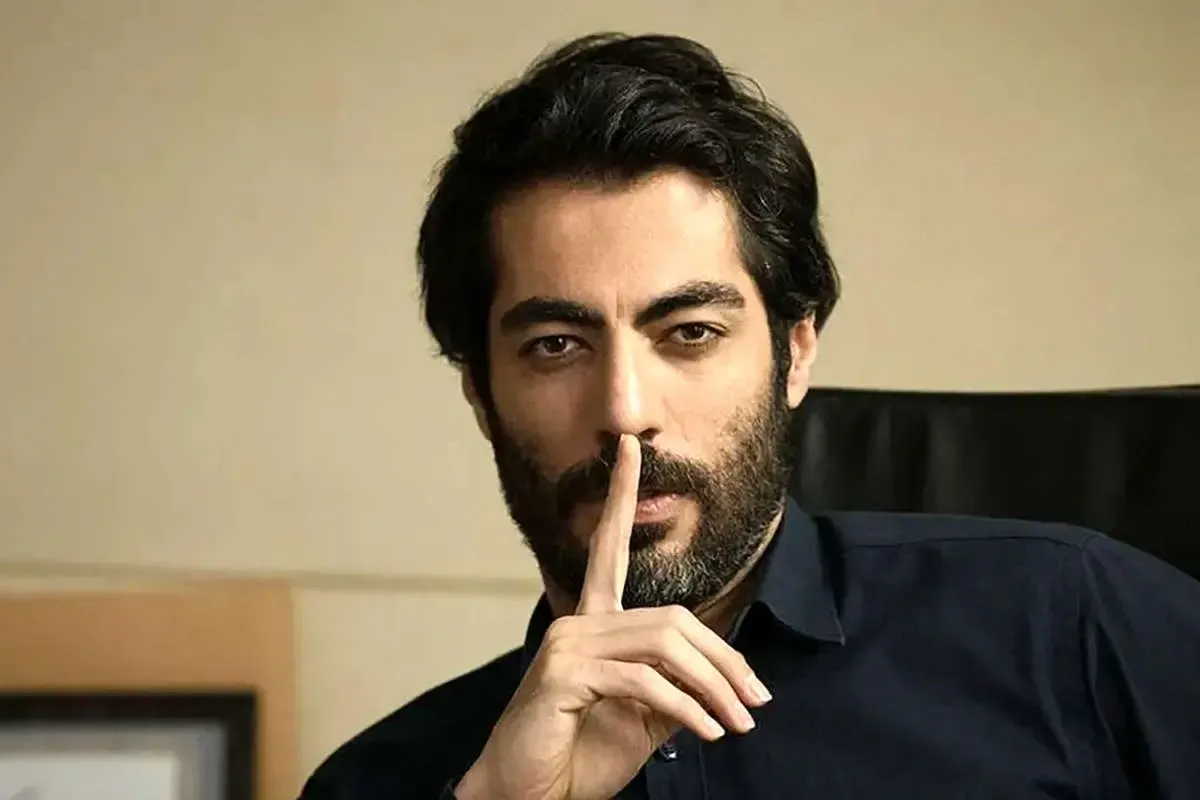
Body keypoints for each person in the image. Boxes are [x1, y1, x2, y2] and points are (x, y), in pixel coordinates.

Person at [298, 32, 1200, 799]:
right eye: (556, 345)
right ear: (479, 392)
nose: (626, 412)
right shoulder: (383, 780)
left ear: (795, 351)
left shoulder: (1073, 620)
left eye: (689, 332)